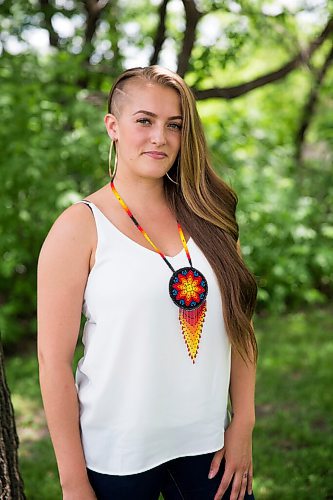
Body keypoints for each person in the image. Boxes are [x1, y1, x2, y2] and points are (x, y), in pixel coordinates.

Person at [37, 65, 258, 500]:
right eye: (145, 121)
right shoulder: (79, 226)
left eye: (173, 125)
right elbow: (53, 364)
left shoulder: (209, 216)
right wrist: (73, 483)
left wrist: (243, 423)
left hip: (208, 449)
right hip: (117, 456)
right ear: (113, 127)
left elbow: (240, 324)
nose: (160, 137)